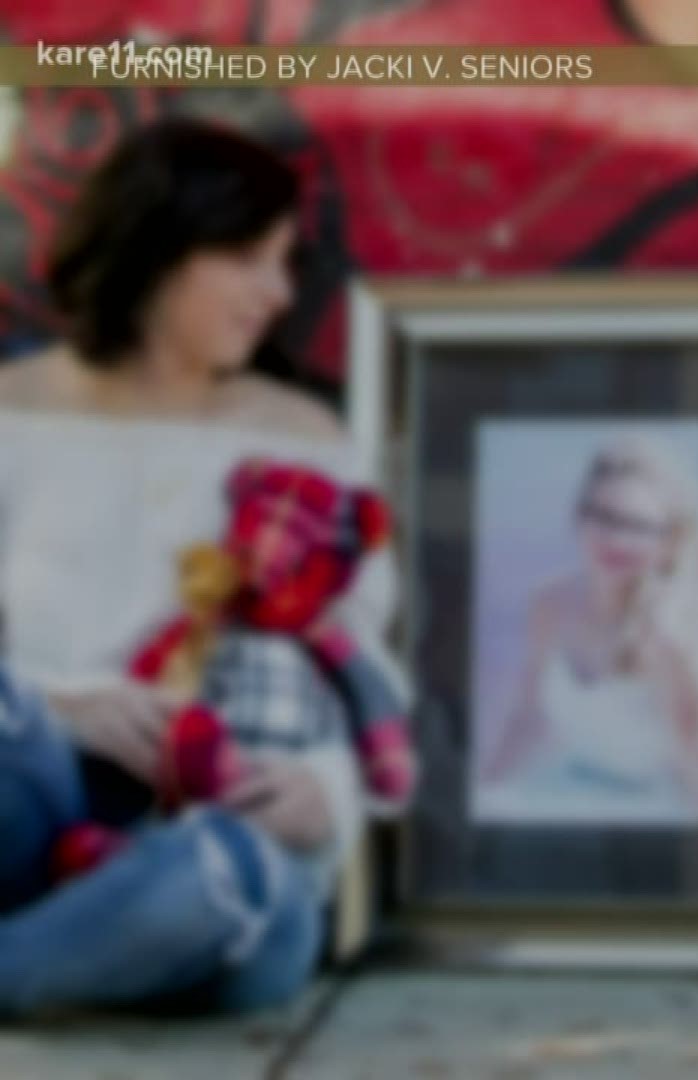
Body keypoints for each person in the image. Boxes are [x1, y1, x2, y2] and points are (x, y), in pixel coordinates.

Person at [0, 118, 398, 1017]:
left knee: (224, 877)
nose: (277, 292)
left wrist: (323, 797)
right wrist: (64, 711)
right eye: (252, 259)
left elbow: (361, 669)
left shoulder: (304, 446)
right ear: (163, 247)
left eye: (288, 263)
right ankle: (62, 952)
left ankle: (47, 958)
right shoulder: (11, 419)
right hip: (35, 825)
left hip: (223, 850)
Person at [476, 436, 698, 822]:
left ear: (669, 542)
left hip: (654, 814)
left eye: (636, 525)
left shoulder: (673, 637)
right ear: (579, 517)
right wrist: (482, 794)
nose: (615, 538)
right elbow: (529, 716)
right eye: (601, 516)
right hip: (564, 789)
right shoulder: (549, 603)